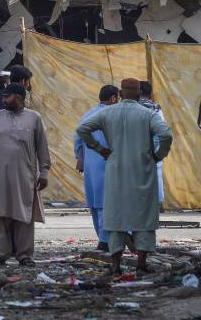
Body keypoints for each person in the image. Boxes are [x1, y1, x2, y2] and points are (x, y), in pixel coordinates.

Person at [76, 78, 172, 275]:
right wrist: (158, 154)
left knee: (115, 217)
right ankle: (142, 263)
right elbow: (166, 135)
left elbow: (82, 129)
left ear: (120, 93)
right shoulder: (149, 114)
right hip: (143, 171)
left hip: (115, 172)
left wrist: (99, 149)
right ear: (139, 94)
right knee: (143, 217)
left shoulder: (106, 113)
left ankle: (116, 265)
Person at [0, 83, 51, 267]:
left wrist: (44, 172)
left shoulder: (34, 118)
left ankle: (24, 255)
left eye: (7, 97)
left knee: (23, 215)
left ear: (19, 97)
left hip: (24, 175)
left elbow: (42, 148)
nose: (3, 100)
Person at [0, 64, 33, 250]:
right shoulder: (7, 105)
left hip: (7, 158)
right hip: (8, 159)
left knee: (3, 201)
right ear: (24, 81)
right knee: (5, 202)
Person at [73, 85, 119, 251]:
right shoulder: (115, 115)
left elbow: (78, 140)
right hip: (109, 164)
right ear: (114, 98)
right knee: (108, 203)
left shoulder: (87, 114)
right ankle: (106, 241)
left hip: (91, 167)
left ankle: (102, 237)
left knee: (95, 203)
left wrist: (80, 158)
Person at [139, 81, 165, 205]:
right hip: (153, 156)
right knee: (154, 193)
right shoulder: (157, 110)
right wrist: (159, 154)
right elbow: (163, 135)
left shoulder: (129, 110)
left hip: (134, 156)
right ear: (150, 94)